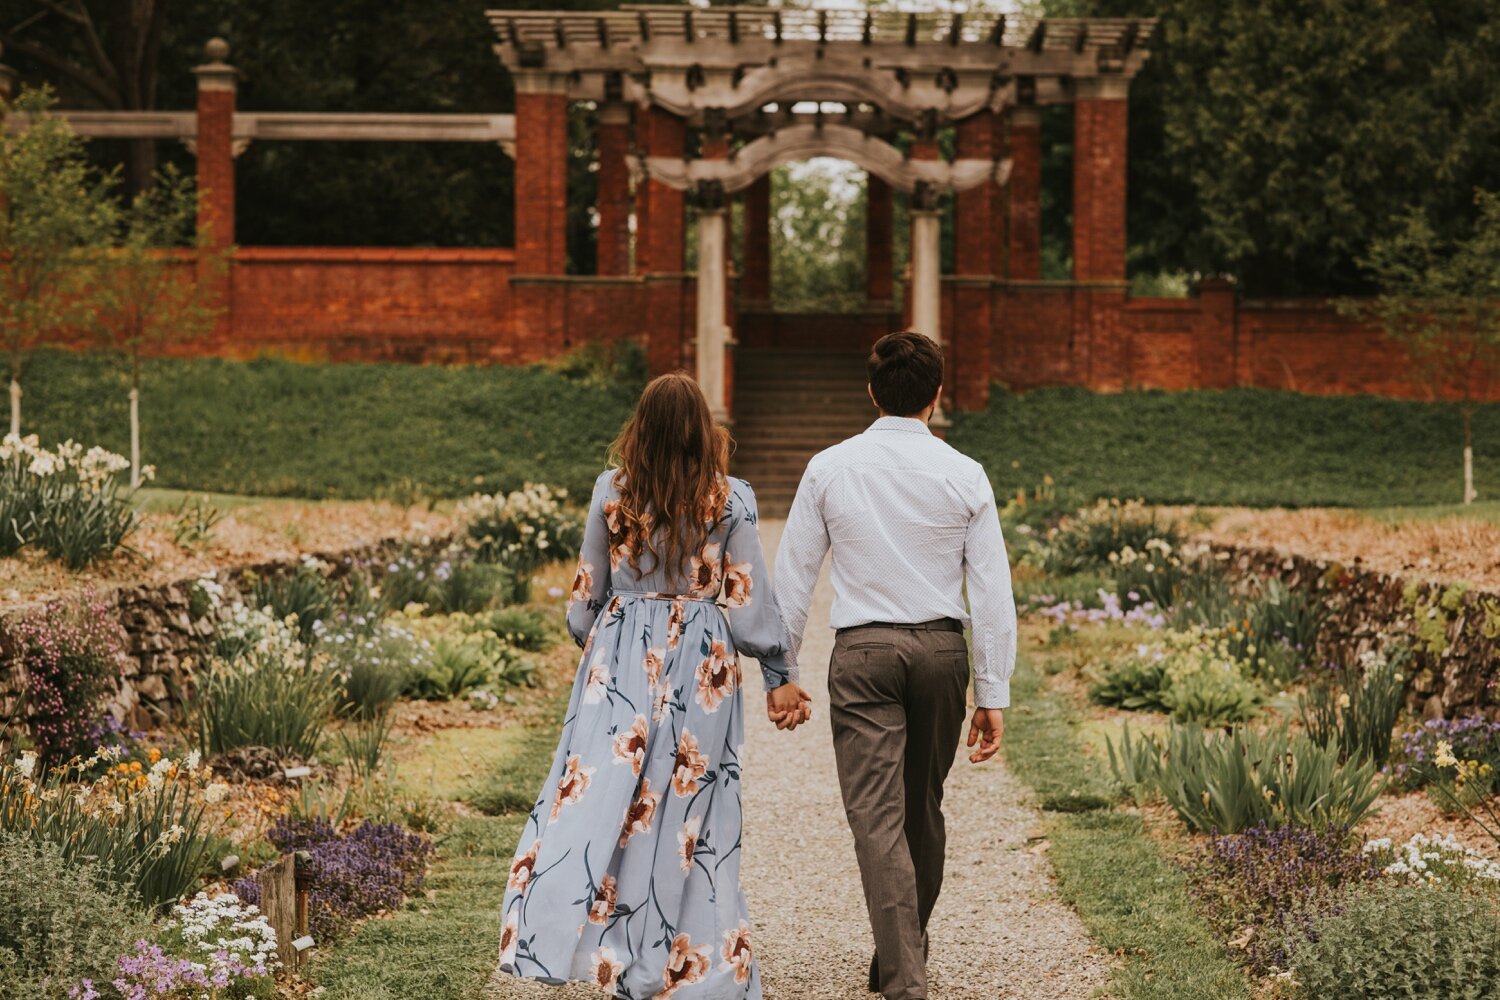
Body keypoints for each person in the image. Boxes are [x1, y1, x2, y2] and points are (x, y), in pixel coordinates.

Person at [496, 371, 813, 1000]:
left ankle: (584, 940)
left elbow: (584, 602)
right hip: (703, 666)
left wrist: (611, 643)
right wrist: (782, 675)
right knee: (693, 809)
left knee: (603, 801)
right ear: (702, 428)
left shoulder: (611, 492)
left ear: (640, 427)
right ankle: (692, 964)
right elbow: (749, 605)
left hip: (619, 660)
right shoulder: (731, 498)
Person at [773, 331, 1017, 1000]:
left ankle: (903, 974)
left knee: (879, 819)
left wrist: (781, 672)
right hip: (942, 653)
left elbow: (793, 575)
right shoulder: (964, 473)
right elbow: (991, 589)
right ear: (937, 397)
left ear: (872, 392)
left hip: (864, 655)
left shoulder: (829, 467)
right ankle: (904, 961)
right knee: (920, 811)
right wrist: (992, 689)